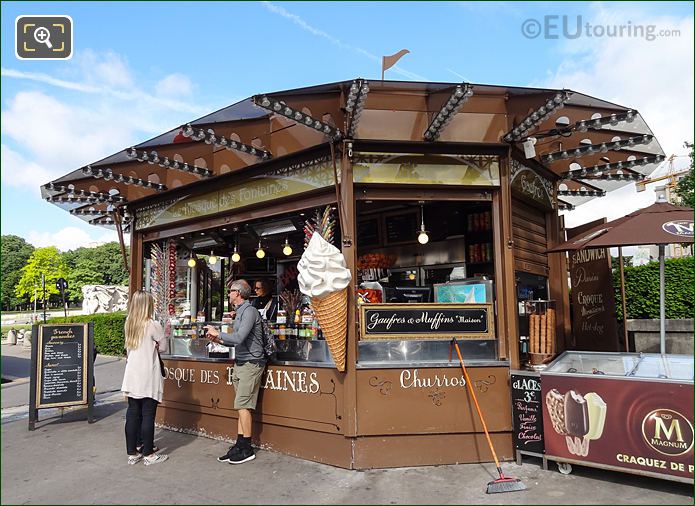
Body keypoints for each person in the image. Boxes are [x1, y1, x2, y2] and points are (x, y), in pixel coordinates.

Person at [205, 279, 265, 465]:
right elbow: (236, 341)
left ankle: (247, 448)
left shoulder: (249, 311)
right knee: (241, 406)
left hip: (251, 362)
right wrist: (219, 341)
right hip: (241, 361)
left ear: (238, 293)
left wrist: (218, 333)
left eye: (230, 291)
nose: (228, 294)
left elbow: (239, 337)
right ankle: (239, 444)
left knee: (242, 405)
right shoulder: (240, 312)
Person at [121, 290, 169, 466]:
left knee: (133, 413)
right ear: (148, 305)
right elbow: (163, 346)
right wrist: (155, 345)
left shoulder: (129, 323)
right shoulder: (153, 325)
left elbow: (128, 349)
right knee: (148, 414)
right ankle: (149, 454)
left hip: (132, 372)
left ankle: (132, 452)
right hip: (148, 372)